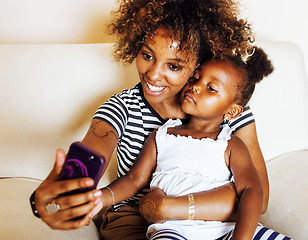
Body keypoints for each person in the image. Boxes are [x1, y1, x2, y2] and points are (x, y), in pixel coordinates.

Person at [30, 0, 291, 239]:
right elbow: (90, 156)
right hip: (134, 216)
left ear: (197, 66)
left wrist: (170, 207)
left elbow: (259, 196)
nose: (153, 75)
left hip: (215, 221)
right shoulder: (122, 107)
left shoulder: (227, 110)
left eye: (174, 66)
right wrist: (55, 199)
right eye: (147, 55)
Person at [95, 46, 291, 240]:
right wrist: (98, 198)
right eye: (195, 77)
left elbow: (252, 190)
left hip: (226, 228)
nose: (196, 86)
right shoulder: (161, 136)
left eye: (211, 88)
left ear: (232, 112)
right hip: (174, 229)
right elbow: (134, 180)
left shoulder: (231, 144)